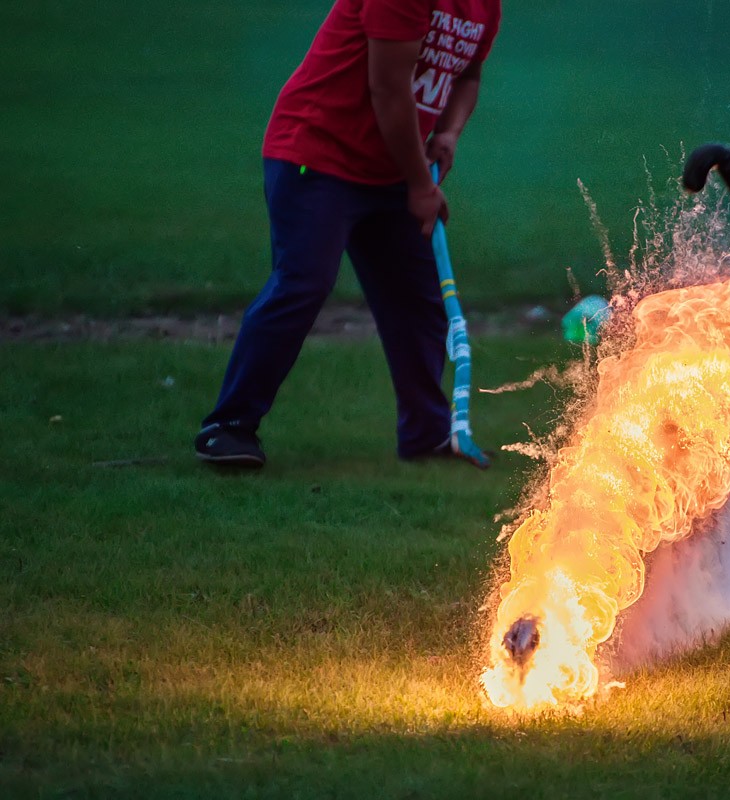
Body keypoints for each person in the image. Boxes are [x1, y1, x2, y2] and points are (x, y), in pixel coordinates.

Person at [195, 0, 501, 468]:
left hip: (391, 168)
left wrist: (450, 132)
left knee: (417, 300)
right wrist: (421, 185)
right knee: (304, 283)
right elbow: (388, 88)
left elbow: (469, 75)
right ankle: (228, 427)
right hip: (318, 154)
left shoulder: (485, 5)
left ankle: (427, 435)